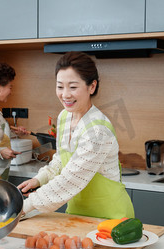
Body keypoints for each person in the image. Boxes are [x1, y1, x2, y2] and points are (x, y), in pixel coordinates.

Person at [18, 51, 134, 220]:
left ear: (92, 87)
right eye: (60, 86)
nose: (65, 94)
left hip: (110, 218)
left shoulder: (98, 130)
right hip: (77, 215)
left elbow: (71, 179)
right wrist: (39, 179)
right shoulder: (64, 116)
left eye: (73, 87)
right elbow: (62, 159)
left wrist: (24, 206)